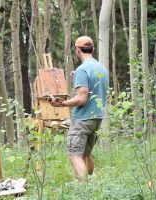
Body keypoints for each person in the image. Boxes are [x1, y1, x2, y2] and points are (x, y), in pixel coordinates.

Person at [49, 36, 109, 182]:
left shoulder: (82, 70)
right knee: (86, 154)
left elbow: (82, 99)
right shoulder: (100, 67)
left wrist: (60, 104)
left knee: (75, 154)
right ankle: (92, 183)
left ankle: (83, 190)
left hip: (83, 119)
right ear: (92, 48)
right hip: (96, 117)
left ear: (77, 50)